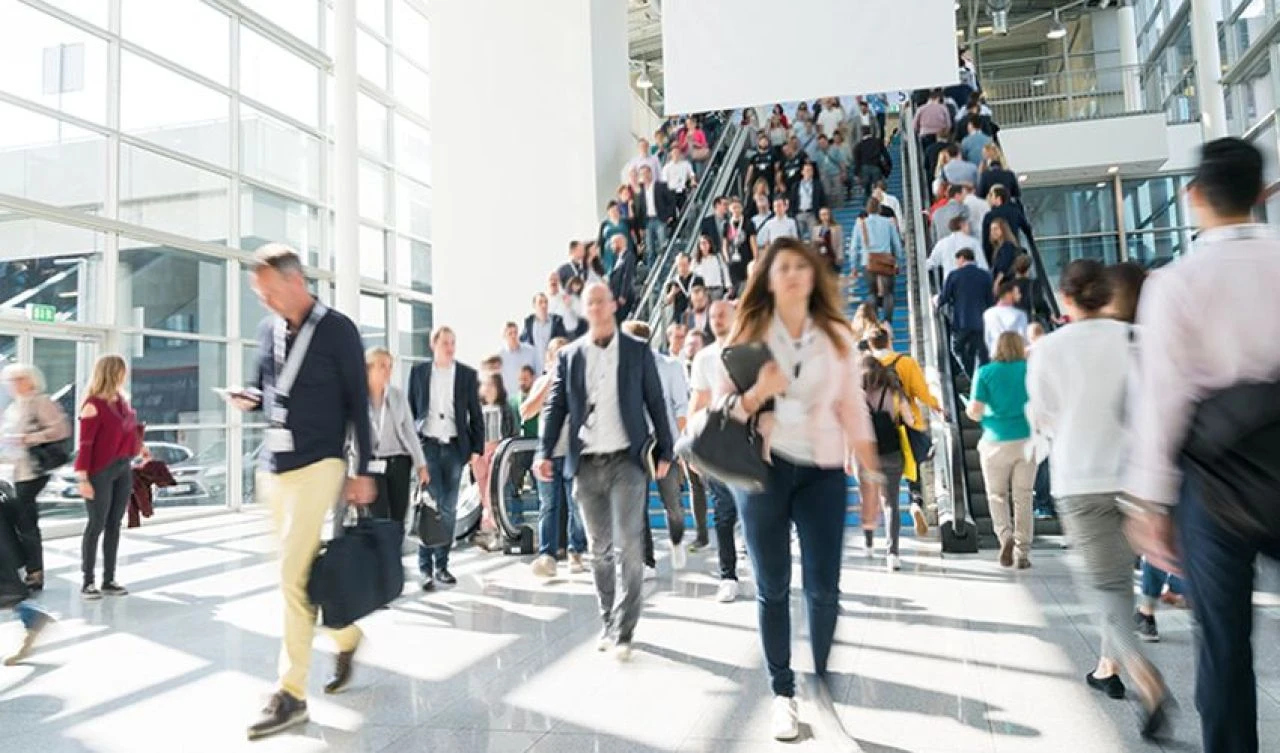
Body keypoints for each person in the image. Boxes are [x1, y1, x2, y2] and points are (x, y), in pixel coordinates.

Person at [1124, 138, 1277, 752]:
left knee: (1224, 645)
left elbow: (1162, 399)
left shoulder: (1175, 283)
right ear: (1261, 193)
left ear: (1193, 197)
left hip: (1216, 486)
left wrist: (1150, 504)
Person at [705, 237, 883, 742]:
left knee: (824, 588)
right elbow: (721, 408)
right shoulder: (748, 332)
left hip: (822, 471)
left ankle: (818, 683)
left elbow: (853, 407)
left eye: (800, 266)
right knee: (773, 586)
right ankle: (782, 693)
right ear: (767, 278)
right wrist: (757, 394)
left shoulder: (835, 335)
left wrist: (870, 475)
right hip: (763, 473)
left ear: (813, 276)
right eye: (781, 267)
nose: (792, 274)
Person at [1027, 259, 1172, 738]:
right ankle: (1108, 665)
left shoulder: (1048, 349)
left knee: (1106, 586)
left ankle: (1143, 675)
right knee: (1121, 579)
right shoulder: (1136, 340)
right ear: (1106, 295)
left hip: (1080, 478)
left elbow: (1043, 414)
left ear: (1065, 299)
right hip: (1136, 477)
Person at [237, 245, 376, 738]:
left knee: (290, 574)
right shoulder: (267, 330)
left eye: (270, 292)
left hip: (321, 463)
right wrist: (249, 398)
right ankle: (346, 632)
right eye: (261, 295)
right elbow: (264, 389)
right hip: (273, 467)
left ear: (296, 281)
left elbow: (359, 404)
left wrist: (364, 469)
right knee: (296, 578)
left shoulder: (337, 330)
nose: (266, 302)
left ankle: (291, 693)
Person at [534, 282, 674, 662]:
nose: (595, 307)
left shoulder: (637, 351)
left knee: (629, 545)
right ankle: (608, 621)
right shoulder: (570, 356)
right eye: (589, 303)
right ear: (584, 310)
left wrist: (666, 449)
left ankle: (625, 630)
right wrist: (544, 451)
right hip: (586, 464)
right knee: (599, 550)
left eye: (601, 301)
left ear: (613, 305)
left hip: (627, 461)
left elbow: (655, 400)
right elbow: (556, 406)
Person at [408, 327, 485, 591]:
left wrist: (476, 449)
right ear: (434, 345)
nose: (450, 348)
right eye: (445, 343)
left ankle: (442, 565)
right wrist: (413, 448)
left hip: (454, 448)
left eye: (453, 343)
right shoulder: (418, 373)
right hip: (428, 446)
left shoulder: (466, 375)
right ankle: (425, 568)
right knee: (431, 505)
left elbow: (475, 413)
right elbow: (411, 412)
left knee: (449, 508)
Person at [622, 321, 689, 577]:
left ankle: (677, 541)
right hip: (636, 446)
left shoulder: (670, 367)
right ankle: (646, 561)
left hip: (665, 444)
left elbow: (681, 407)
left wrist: (680, 447)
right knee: (637, 507)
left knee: (672, 503)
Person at [75, 355, 144, 601]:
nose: (125, 375)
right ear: (113, 372)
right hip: (99, 471)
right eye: (122, 371)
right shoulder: (92, 405)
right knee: (96, 524)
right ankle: (87, 582)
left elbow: (130, 431)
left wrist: (142, 449)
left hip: (123, 467)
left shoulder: (122, 401)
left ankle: (109, 580)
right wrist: (83, 479)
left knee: (114, 524)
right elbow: (85, 446)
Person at [686, 299, 740, 601]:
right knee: (722, 511)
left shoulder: (751, 350)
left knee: (757, 510)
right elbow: (698, 401)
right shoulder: (704, 358)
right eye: (713, 315)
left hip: (749, 442)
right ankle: (727, 575)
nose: (717, 319)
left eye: (722, 315)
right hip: (717, 444)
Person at [967, 332, 1034, 569]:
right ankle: (1022, 552)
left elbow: (975, 411)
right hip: (1027, 441)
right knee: (1023, 497)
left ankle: (1005, 537)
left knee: (997, 495)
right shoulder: (1031, 371)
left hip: (995, 442)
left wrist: (975, 412)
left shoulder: (985, 373)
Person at [1, 363, 70, 593]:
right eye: (11, 380)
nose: (13, 384)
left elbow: (61, 431)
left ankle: (35, 572)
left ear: (30, 380)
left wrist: (28, 438)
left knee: (26, 521)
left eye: (18, 379)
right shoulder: (13, 407)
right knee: (19, 520)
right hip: (15, 471)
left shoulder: (41, 402)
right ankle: (26, 568)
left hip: (33, 472)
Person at [524, 338, 588, 578]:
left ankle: (575, 550)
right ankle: (547, 555)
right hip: (548, 454)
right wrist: (549, 381)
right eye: (557, 355)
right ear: (548, 359)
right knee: (548, 506)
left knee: (577, 504)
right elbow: (526, 412)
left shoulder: (579, 382)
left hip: (574, 453)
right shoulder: (542, 382)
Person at [869, 327, 942, 534]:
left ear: (870, 345)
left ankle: (881, 513)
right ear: (889, 341)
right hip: (906, 424)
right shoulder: (906, 362)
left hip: (876, 428)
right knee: (912, 470)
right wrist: (937, 406)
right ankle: (915, 503)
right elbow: (922, 392)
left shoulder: (865, 366)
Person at [363, 348, 429, 527]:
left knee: (398, 519)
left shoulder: (397, 396)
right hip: (372, 464)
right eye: (382, 366)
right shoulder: (358, 398)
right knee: (379, 519)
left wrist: (421, 465)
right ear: (368, 368)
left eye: (390, 366)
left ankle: (395, 546)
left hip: (399, 462)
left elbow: (410, 432)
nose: (388, 371)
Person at [473, 372, 520, 549]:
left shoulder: (506, 409)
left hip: (499, 453)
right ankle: (491, 532)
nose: (488, 389)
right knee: (483, 494)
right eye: (485, 385)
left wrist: (509, 454)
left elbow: (513, 432)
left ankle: (490, 530)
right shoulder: (476, 408)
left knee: (491, 493)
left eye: (492, 385)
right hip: (479, 454)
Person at [938, 248, 995, 379]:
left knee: (957, 349)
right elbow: (991, 300)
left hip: (961, 323)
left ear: (962, 258)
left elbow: (944, 298)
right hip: (982, 324)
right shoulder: (986, 275)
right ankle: (983, 380)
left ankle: (972, 376)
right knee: (983, 355)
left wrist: (936, 301)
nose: (957, 263)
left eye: (957, 260)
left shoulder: (954, 275)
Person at [852, 197, 904, 324]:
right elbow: (896, 244)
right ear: (879, 209)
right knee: (888, 294)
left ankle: (874, 322)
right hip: (886, 261)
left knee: (872, 293)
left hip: (868, 262)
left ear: (867, 209)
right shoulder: (888, 223)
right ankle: (887, 322)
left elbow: (854, 247)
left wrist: (854, 266)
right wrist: (899, 261)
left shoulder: (860, 224)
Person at [928, 214, 988, 282]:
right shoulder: (973, 242)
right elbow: (982, 266)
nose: (969, 228)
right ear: (963, 226)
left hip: (949, 281)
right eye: (967, 225)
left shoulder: (942, 243)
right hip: (969, 281)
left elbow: (932, 262)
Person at [982, 185, 1035, 261]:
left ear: (998, 199)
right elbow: (1027, 229)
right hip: (1014, 252)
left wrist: (988, 259)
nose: (989, 198)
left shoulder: (989, 216)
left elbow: (986, 241)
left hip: (997, 254)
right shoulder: (1015, 212)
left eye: (991, 196)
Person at [635, 165, 676, 257]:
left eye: (646, 173)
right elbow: (641, 210)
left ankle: (666, 264)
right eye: (642, 174)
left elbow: (672, 201)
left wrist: (669, 215)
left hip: (660, 219)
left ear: (650, 173)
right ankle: (652, 266)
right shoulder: (641, 192)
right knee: (650, 250)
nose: (645, 176)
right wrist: (641, 227)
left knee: (663, 247)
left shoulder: (661, 186)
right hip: (648, 222)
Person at [521, 293, 569, 371]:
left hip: (553, 367)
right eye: (540, 302)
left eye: (546, 302)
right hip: (534, 368)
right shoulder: (529, 322)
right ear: (534, 305)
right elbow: (523, 343)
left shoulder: (557, 321)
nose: (544, 305)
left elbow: (564, 343)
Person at [983, 281, 1028, 357]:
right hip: (1015, 354)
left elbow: (987, 338)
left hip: (995, 353)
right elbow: (1022, 336)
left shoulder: (988, 313)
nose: (1020, 295)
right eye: (1017, 293)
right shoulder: (1020, 314)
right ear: (1008, 294)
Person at [497, 322, 539, 397]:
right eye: (510, 333)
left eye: (515, 332)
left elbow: (538, 372)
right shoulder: (500, 356)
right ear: (504, 336)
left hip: (530, 395)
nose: (513, 336)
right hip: (509, 397)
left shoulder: (531, 351)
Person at [724, 198, 756, 297]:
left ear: (741, 208)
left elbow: (753, 242)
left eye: (738, 207)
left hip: (746, 257)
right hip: (733, 260)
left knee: (748, 284)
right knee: (736, 286)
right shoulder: (727, 224)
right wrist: (727, 259)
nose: (736, 210)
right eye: (734, 207)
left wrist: (755, 258)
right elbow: (725, 244)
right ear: (730, 209)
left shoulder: (748, 223)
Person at [788, 161, 826, 239]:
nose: (808, 172)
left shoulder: (817, 185)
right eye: (806, 170)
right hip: (799, 213)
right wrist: (792, 213)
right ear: (802, 172)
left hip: (812, 213)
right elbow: (792, 200)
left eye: (810, 170)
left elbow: (822, 200)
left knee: (815, 236)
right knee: (798, 237)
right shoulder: (796, 185)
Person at [692, 233, 731, 301]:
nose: (704, 245)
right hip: (703, 290)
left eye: (706, 243)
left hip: (717, 289)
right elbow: (692, 274)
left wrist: (728, 285)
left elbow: (725, 270)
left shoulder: (717, 257)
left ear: (710, 244)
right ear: (699, 246)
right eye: (702, 243)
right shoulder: (696, 260)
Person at [608, 233, 638, 320]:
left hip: (624, 298)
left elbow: (627, 276)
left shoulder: (629, 256)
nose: (611, 246)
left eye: (613, 243)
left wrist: (623, 295)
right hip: (616, 298)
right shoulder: (618, 258)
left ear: (619, 243)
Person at [852, 129, 890, 195]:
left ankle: (868, 200)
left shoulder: (859, 145)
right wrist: (888, 167)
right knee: (878, 188)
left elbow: (857, 161)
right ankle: (878, 200)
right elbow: (886, 155)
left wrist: (856, 174)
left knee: (866, 190)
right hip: (876, 166)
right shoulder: (877, 142)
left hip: (864, 168)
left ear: (862, 134)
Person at [661, 147, 696, 213]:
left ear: (680, 154)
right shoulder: (666, 167)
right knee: (672, 213)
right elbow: (664, 181)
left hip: (682, 191)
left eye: (677, 153)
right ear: (671, 154)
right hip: (671, 192)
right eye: (674, 153)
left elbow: (691, 173)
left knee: (684, 211)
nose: (676, 155)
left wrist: (693, 180)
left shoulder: (685, 164)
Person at [810, 206, 844, 273]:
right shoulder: (815, 228)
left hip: (832, 255)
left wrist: (840, 256)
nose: (824, 216)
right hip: (820, 257)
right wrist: (817, 240)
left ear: (829, 215)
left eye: (825, 214)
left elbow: (840, 243)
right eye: (822, 214)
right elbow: (813, 243)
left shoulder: (837, 227)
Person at [988, 218, 1021, 285]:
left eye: (996, 229)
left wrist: (996, 283)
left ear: (1003, 230)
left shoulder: (1007, 246)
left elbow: (1004, 266)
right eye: (991, 230)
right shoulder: (998, 248)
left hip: (1008, 283)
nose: (993, 232)